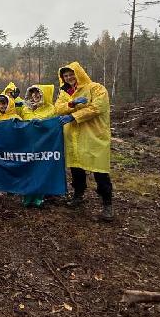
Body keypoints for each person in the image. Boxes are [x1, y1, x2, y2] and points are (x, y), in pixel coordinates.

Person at [55, 61, 114, 220]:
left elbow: (98, 108)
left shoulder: (96, 88)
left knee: (100, 171)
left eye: (71, 74)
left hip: (94, 136)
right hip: (73, 137)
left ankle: (107, 204)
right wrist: (72, 103)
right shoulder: (64, 92)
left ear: (78, 73)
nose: (69, 78)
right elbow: (58, 108)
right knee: (76, 169)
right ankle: (78, 196)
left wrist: (74, 115)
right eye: (65, 76)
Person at [18, 84, 57, 208]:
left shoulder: (51, 109)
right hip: (28, 144)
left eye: (38, 93)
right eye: (33, 93)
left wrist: (43, 125)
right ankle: (27, 196)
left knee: (40, 170)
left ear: (43, 94)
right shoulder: (25, 108)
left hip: (43, 145)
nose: (35, 95)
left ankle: (39, 197)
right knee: (27, 170)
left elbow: (54, 126)